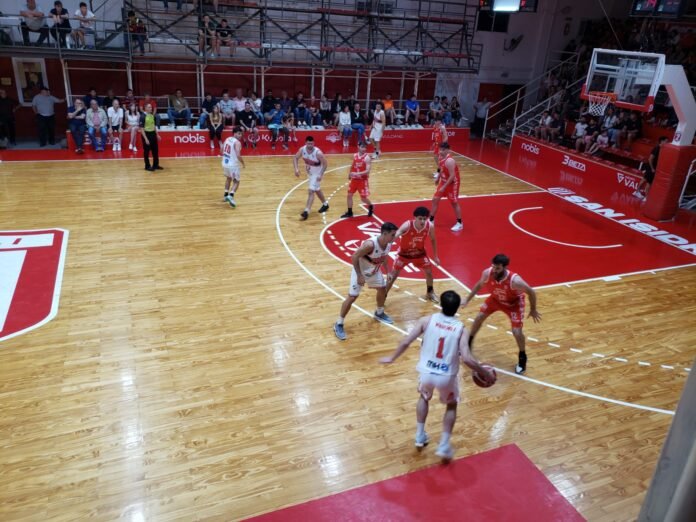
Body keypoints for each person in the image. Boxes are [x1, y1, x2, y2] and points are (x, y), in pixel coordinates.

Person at [379, 290, 495, 460]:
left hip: (426, 372)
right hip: (446, 376)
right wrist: (485, 373)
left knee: (423, 398)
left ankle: (419, 436)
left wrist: (392, 357)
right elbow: (467, 359)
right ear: (457, 308)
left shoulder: (426, 320)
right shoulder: (461, 329)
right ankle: (444, 445)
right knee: (451, 405)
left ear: (440, 304)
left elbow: (406, 341)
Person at [463, 253, 541, 375]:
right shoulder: (487, 273)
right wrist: (467, 299)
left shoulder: (515, 281)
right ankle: (468, 343)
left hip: (513, 304)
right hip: (495, 299)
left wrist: (533, 309)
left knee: (517, 332)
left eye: (498, 268)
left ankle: (522, 358)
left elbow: (531, 291)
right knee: (479, 317)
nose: (494, 270)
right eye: (493, 266)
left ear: (505, 267)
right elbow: (479, 285)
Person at [333, 221, 399, 340]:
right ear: (384, 234)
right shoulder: (370, 245)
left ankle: (379, 312)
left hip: (374, 270)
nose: (395, 237)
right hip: (360, 271)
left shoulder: (388, 244)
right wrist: (359, 275)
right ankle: (339, 323)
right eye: (393, 235)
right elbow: (354, 256)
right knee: (352, 297)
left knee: (382, 289)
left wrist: (388, 271)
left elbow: (384, 257)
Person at [386, 206, 440, 303]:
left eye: (424, 219)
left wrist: (435, 256)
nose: (422, 221)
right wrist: (389, 240)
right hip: (404, 254)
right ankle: (384, 294)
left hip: (419, 254)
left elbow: (433, 240)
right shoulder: (407, 225)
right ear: (415, 217)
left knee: (429, 272)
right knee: (393, 275)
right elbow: (397, 233)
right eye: (420, 218)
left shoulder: (430, 226)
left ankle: (430, 292)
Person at [293, 136, 329, 220]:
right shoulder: (302, 150)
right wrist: (296, 169)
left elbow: (325, 164)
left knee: (311, 191)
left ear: (314, 143)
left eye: (311, 143)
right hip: (309, 173)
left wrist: (320, 174)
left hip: (317, 173)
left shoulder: (318, 153)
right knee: (317, 189)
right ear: (305, 143)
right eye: (308, 143)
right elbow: (295, 158)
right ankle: (325, 204)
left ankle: (306, 211)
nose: (310, 145)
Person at [430, 143, 463, 232]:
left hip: (452, 184)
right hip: (444, 182)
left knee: (454, 203)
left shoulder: (450, 161)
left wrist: (444, 187)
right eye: (440, 149)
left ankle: (460, 223)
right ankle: (431, 220)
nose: (441, 152)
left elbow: (452, 176)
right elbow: (441, 169)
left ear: (448, 150)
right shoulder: (440, 157)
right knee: (435, 199)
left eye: (443, 150)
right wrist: (438, 178)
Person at [340, 141, 373, 218]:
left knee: (363, 198)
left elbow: (367, 171)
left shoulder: (367, 158)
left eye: (365, 147)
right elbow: (353, 165)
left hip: (362, 180)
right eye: (362, 147)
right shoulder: (355, 155)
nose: (364, 149)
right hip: (354, 180)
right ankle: (350, 212)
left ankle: (370, 206)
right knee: (349, 195)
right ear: (358, 147)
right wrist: (350, 173)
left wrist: (357, 173)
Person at [222, 126, 246, 208]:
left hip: (225, 163)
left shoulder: (227, 139)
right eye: (239, 133)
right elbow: (238, 155)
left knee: (228, 178)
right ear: (234, 133)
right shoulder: (237, 143)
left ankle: (225, 195)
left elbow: (221, 149)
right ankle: (231, 195)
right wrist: (243, 163)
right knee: (236, 181)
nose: (240, 135)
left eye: (241, 134)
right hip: (233, 165)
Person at [139, 102, 162, 171]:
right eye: (149, 107)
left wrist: (157, 134)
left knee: (155, 151)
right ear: (145, 108)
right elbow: (141, 129)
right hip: (146, 134)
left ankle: (156, 165)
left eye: (151, 107)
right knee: (146, 151)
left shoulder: (152, 115)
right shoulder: (142, 116)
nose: (151, 108)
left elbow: (153, 125)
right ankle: (147, 166)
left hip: (153, 134)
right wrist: (146, 139)